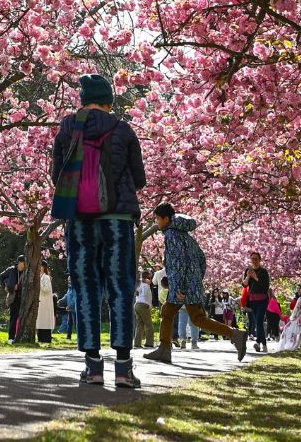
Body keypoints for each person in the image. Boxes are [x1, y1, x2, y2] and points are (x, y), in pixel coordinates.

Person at [50, 72, 147, 389]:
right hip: (117, 220)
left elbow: (57, 174)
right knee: (121, 287)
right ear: (109, 100)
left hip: (79, 220)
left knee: (86, 288)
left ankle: (92, 367)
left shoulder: (68, 127)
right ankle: (123, 368)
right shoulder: (123, 129)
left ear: (83, 99)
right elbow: (139, 178)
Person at [141, 203, 247, 363]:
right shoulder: (186, 236)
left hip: (182, 287)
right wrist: (195, 280)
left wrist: (181, 287)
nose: (157, 222)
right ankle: (234, 335)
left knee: (179, 314)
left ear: (166, 219)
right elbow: (201, 259)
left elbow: (178, 264)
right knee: (186, 315)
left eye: (158, 218)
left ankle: (165, 349)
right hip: (192, 284)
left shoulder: (171, 235)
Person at [243, 251, 274, 352]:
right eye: (252, 259)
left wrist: (255, 277)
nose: (254, 261)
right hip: (252, 300)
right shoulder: (248, 270)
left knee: (259, 321)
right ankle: (263, 345)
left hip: (262, 300)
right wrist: (248, 276)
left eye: (256, 259)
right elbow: (244, 285)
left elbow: (265, 287)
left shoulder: (263, 272)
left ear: (260, 260)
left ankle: (257, 342)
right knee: (258, 322)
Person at [1, 258, 26, 341]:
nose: (23, 265)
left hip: (23, 297)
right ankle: (11, 337)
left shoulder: (26, 271)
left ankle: (20, 336)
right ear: (19, 263)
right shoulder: (11, 270)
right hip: (13, 297)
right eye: (22, 263)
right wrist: (6, 285)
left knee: (23, 318)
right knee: (13, 318)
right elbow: (2, 276)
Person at [35, 261, 56, 343]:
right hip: (41, 302)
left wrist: (39, 282)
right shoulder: (41, 277)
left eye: (40, 266)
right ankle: (40, 338)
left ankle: (46, 338)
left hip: (45, 303)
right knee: (40, 321)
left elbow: (46, 289)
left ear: (44, 267)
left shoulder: (46, 277)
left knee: (44, 321)